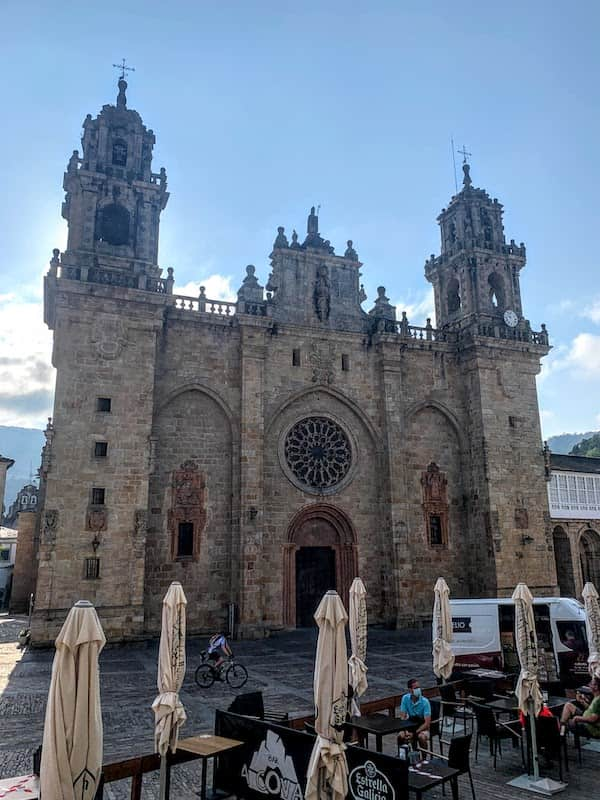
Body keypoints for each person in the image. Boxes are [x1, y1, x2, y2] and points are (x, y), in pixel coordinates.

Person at [398, 678, 431, 756]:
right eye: (416, 688)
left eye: (419, 688)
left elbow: (427, 723)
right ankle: (402, 756)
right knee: (400, 736)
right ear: (410, 690)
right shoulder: (405, 698)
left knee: (421, 737)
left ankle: (424, 758)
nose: (418, 690)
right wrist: (405, 731)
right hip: (411, 724)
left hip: (422, 726)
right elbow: (403, 717)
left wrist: (414, 733)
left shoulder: (425, 702)